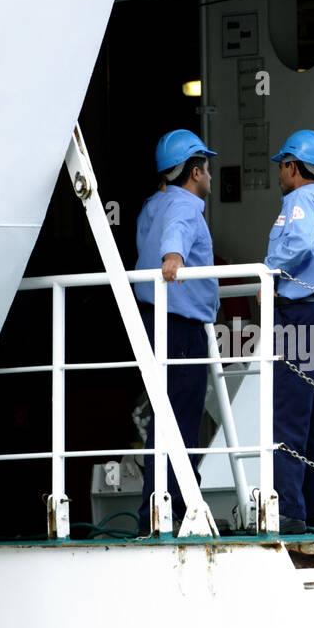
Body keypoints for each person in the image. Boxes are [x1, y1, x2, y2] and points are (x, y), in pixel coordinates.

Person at [134, 130, 217, 533]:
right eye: (207, 167)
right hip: (180, 327)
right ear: (195, 171)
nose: (211, 176)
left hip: (151, 321)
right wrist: (174, 258)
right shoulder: (187, 205)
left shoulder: (154, 203)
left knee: (161, 419)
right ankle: (180, 508)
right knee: (183, 419)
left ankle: (155, 505)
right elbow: (176, 237)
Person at [263, 129, 314, 535]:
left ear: (293, 167)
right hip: (313, 313)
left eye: (282, 165)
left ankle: (289, 511)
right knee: (308, 416)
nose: (280, 172)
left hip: (294, 314)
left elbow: (299, 245)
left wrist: (267, 275)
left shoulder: (296, 202)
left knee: (287, 414)